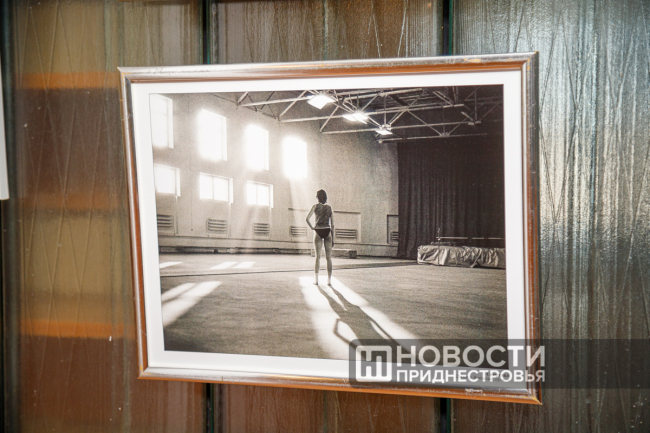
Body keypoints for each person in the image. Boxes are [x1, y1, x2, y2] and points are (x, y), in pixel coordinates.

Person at [306, 189, 335, 286]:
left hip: (318, 230)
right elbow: (333, 225)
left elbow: (307, 218)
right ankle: (329, 281)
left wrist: (312, 227)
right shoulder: (329, 208)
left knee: (317, 257)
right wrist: (333, 239)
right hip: (327, 230)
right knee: (329, 258)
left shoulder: (315, 206)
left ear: (317, 197)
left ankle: (316, 280)